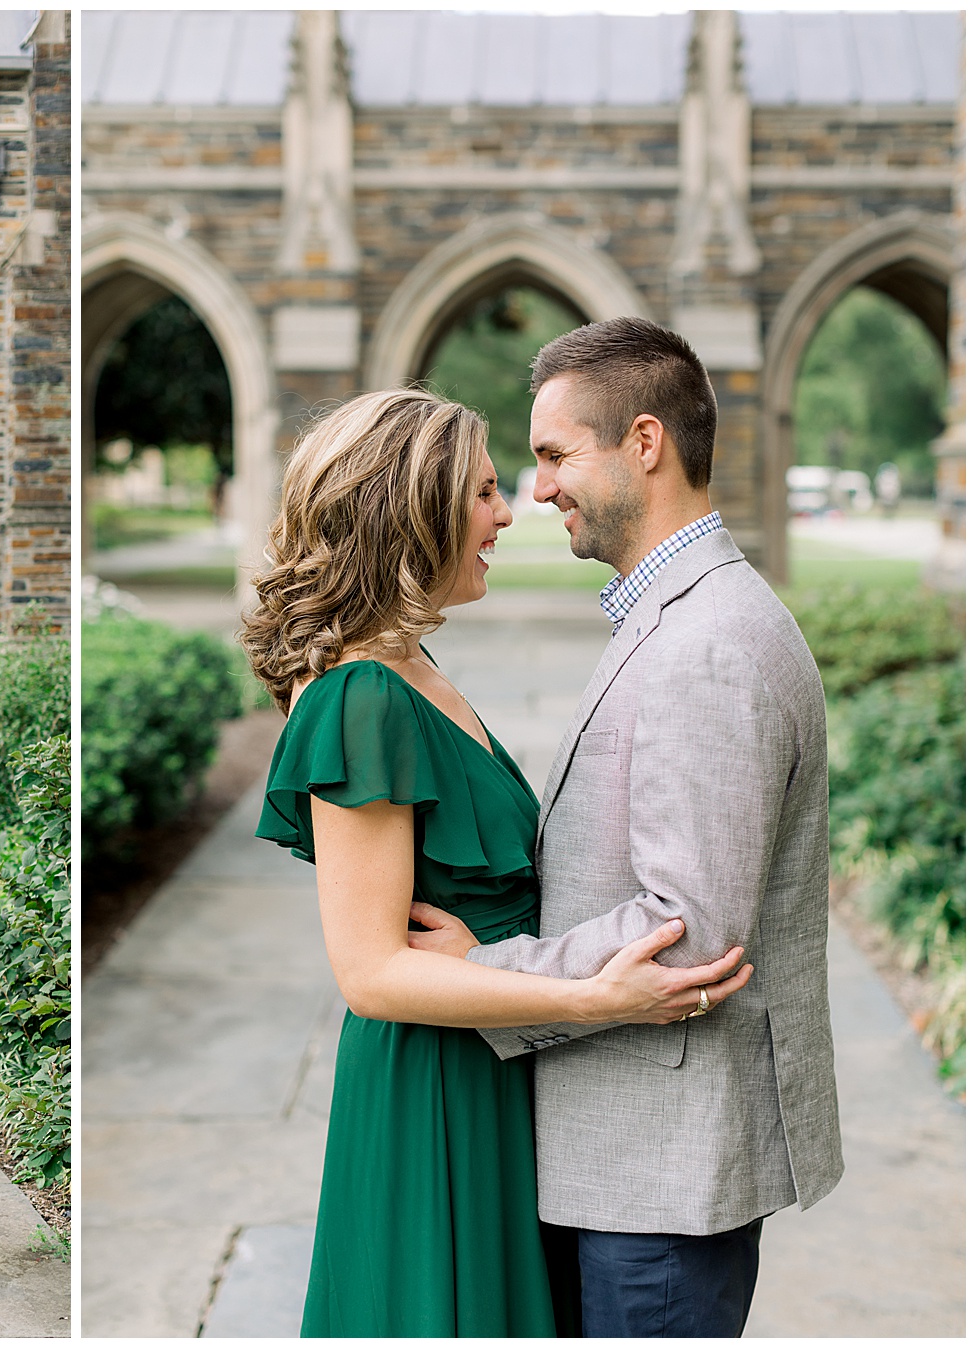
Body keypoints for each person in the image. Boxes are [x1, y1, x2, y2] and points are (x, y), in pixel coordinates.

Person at [243, 387, 753, 1337]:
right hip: (438, 1088)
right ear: (413, 507)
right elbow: (369, 973)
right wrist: (592, 998)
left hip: (502, 1060)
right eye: (483, 492)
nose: (509, 512)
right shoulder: (360, 696)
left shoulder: (417, 673)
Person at [411, 318, 842, 1336]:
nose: (539, 487)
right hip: (632, 1166)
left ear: (643, 443)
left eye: (555, 454)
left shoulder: (708, 645)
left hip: (658, 1182)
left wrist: (492, 975)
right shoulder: (676, 617)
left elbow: (684, 934)